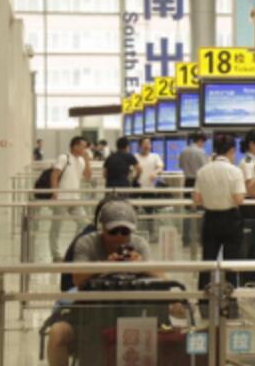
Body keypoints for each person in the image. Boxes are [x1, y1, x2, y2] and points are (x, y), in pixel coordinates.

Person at [47, 199, 160, 366]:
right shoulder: (87, 243)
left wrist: (141, 265)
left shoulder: (139, 244)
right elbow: (77, 279)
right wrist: (107, 265)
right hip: (88, 314)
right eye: (113, 231)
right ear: (102, 228)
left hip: (132, 314)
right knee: (57, 334)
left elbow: (161, 277)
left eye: (125, 231)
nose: (119, 237)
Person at [193, 134, 245, 290]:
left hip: (210, 218)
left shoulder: (203, 171)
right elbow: (239, 199)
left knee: (208, 262)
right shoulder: (235, 171)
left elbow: (197, 198)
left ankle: (203, 297)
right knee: (231, 263)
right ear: (232, 150)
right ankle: (231, 298)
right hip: (231, 219)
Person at [49, 136, 93, 262]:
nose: (85, 149)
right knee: (56, 227)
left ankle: (73, 249)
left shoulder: (82, 160)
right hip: (62, 198)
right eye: (83, 146)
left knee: (84, 224)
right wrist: (54, 192)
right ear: (75, 146)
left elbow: (88, 176)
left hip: (75, 198)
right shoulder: (64, 158)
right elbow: (54, 175)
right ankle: (56, 254)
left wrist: (87, 160)